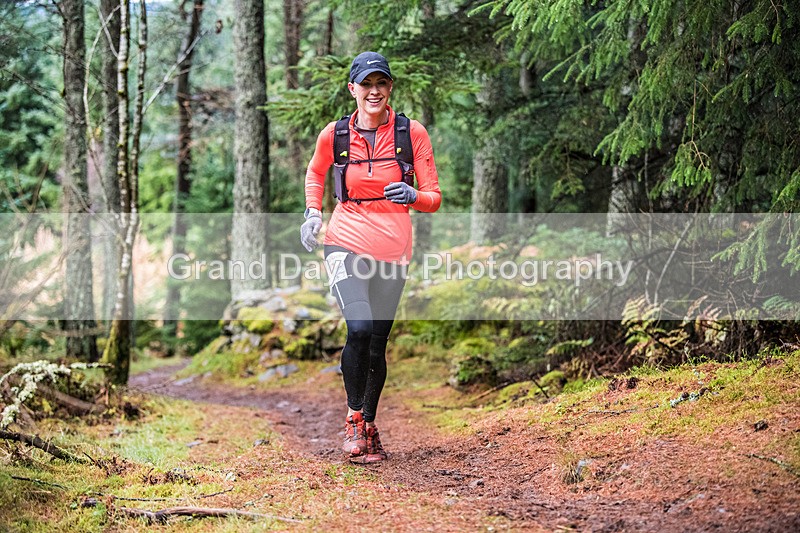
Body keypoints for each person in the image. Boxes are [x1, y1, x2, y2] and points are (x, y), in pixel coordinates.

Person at [300, 51, 442, 463]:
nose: (374, 91)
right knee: (359, 328)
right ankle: (352, 419)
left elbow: (434, 196)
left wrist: (414, 196)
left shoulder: (411, 133)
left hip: (394, 250)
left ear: (390, 87)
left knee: (377, 344)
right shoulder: (336, 134)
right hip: (345, 239)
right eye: (366, 84)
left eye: (381, 83)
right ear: (353, 90)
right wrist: (313, 212)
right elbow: (315, 173)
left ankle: (368, 426)